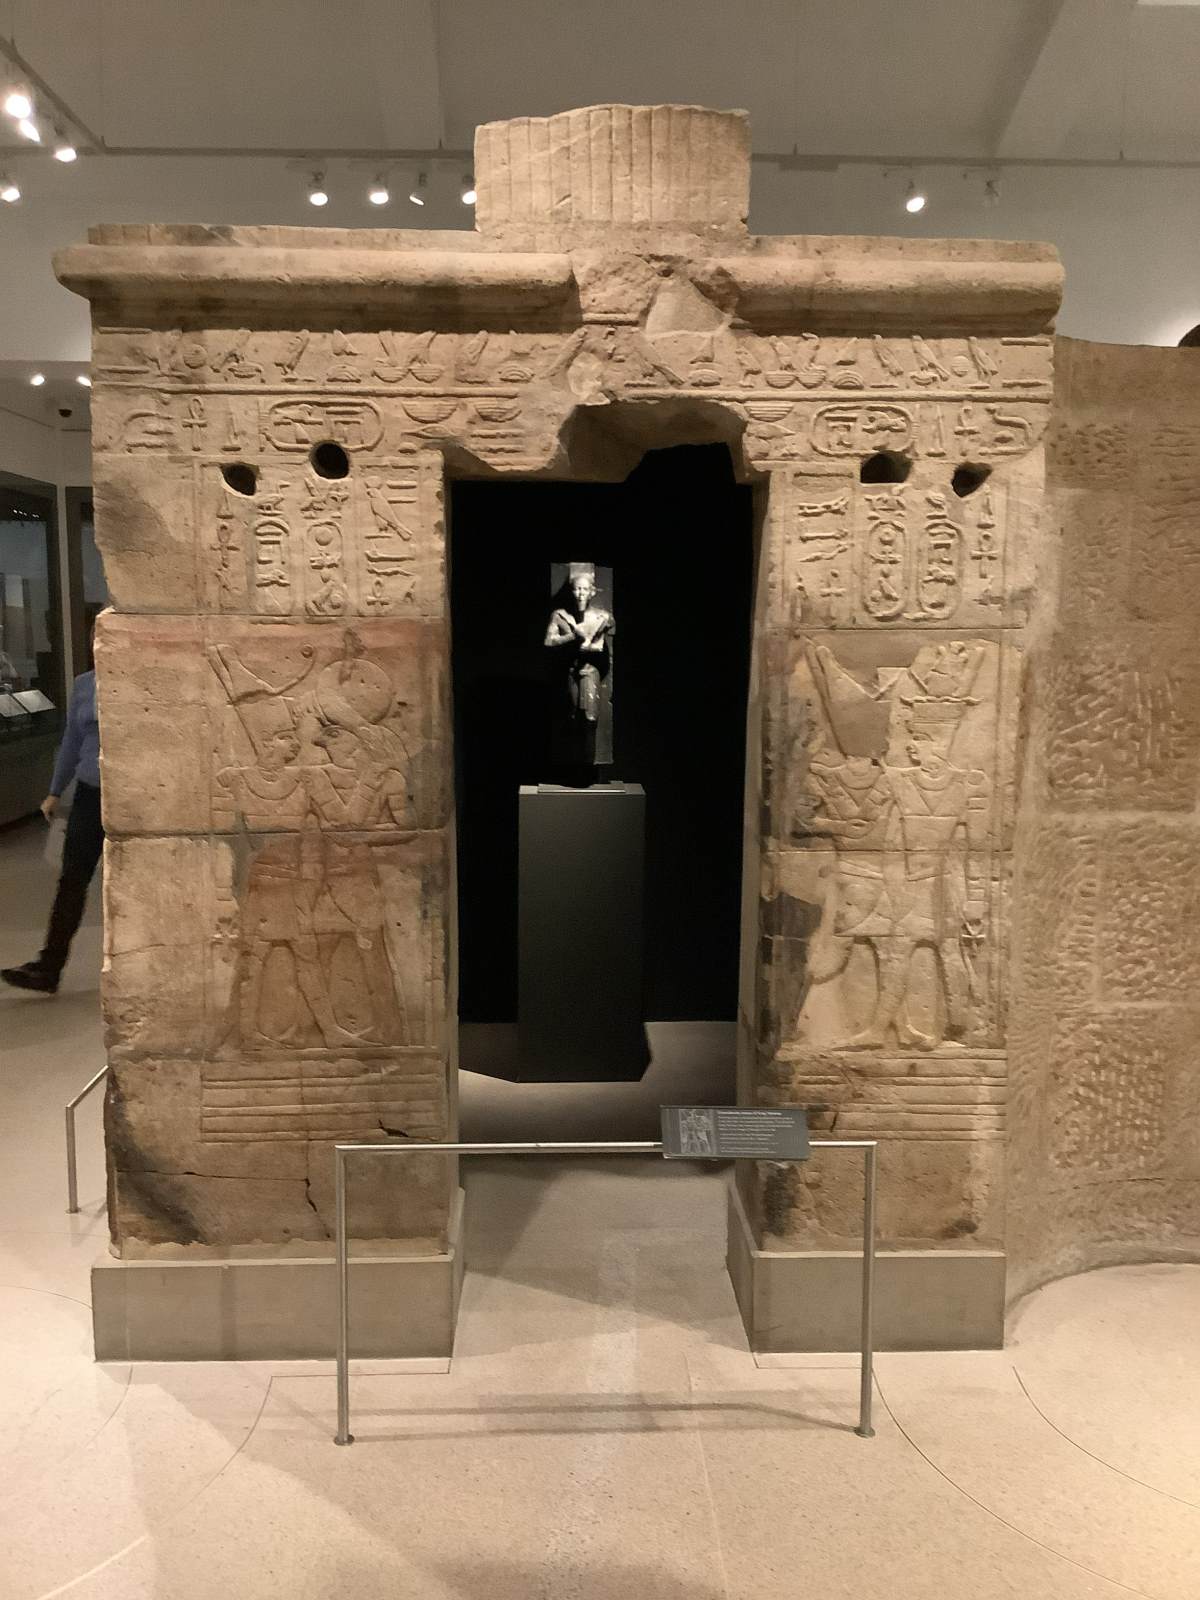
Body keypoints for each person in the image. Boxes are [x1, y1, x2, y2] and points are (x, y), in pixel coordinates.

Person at [2, 668, 102, 995]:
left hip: (134, 792)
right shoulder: (85, 684)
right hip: (91, 793)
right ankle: (49, 966)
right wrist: (55, 790)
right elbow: (72, 740)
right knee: (72, 879)